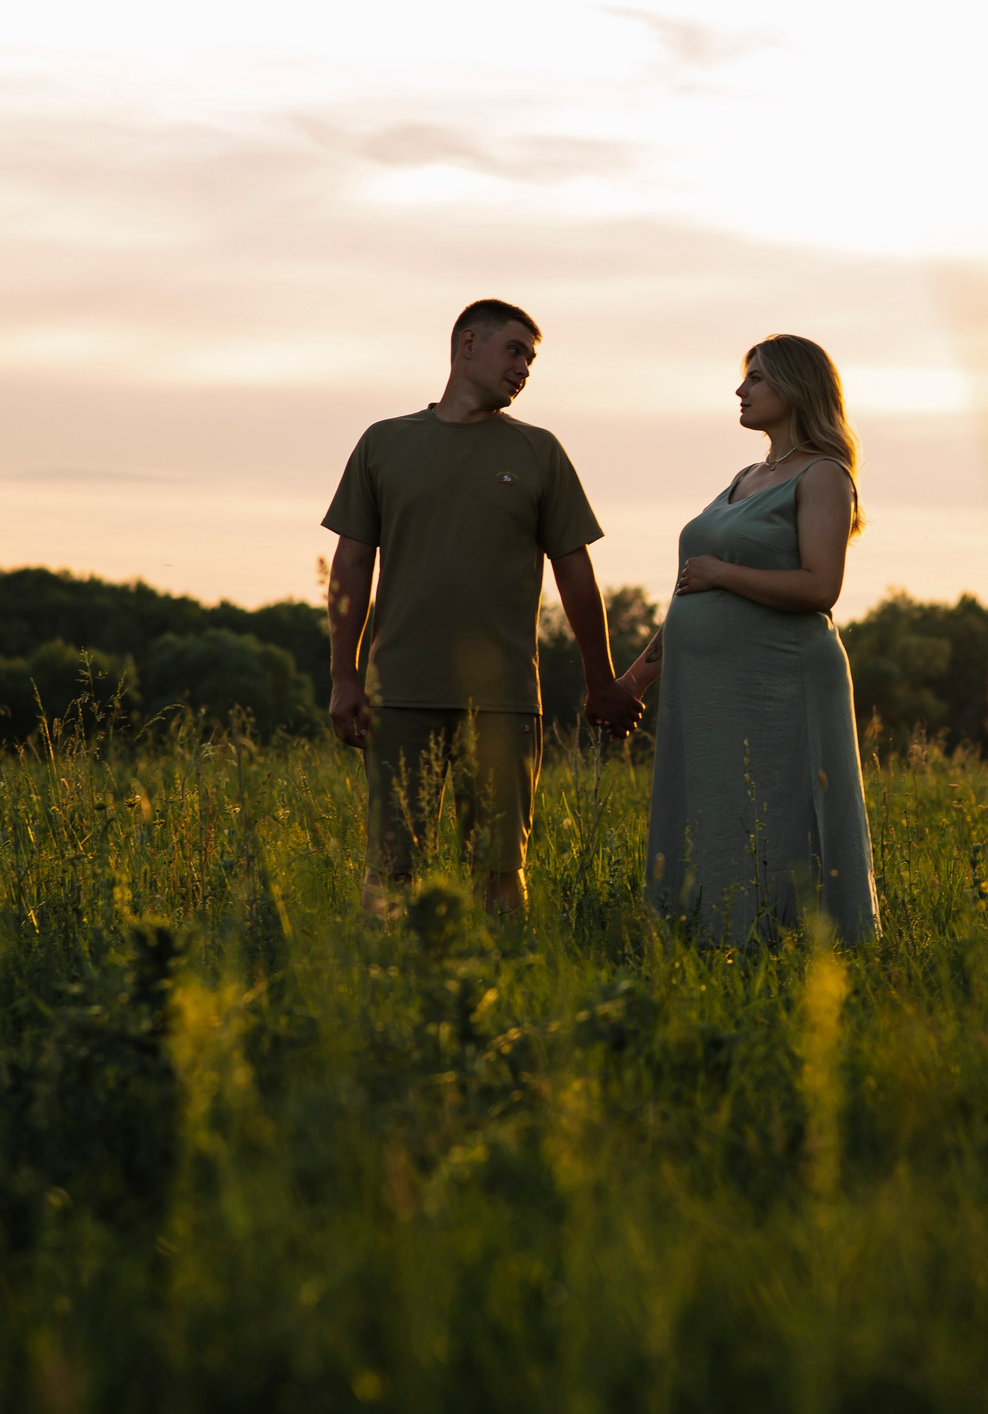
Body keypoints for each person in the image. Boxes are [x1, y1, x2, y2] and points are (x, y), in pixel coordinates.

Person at [323, 299, 642, 923]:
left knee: (499, 869)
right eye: (515, 351)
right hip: (402, 691)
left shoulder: (539, 452)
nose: (524, 369)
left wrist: (601, 681)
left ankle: (502, 992)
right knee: (392, 866)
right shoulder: (385, 443)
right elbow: (351, 566)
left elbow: (577, 577)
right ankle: (382, 993)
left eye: (531, 359)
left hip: (503, 701)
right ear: (467, 344)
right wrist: (344, 676)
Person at [618, 334, 880, 945]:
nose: (742, 390)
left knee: (780, 810)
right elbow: (692, 597)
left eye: (756, 378)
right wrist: (635, 679)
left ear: (795, 386)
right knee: (714, 807)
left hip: (781, 684)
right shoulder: (746, 475)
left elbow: (821, 587)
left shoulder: (823, 475)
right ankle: (710, 935)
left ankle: (793, 941)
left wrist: (723, 572)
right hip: (712, 690)